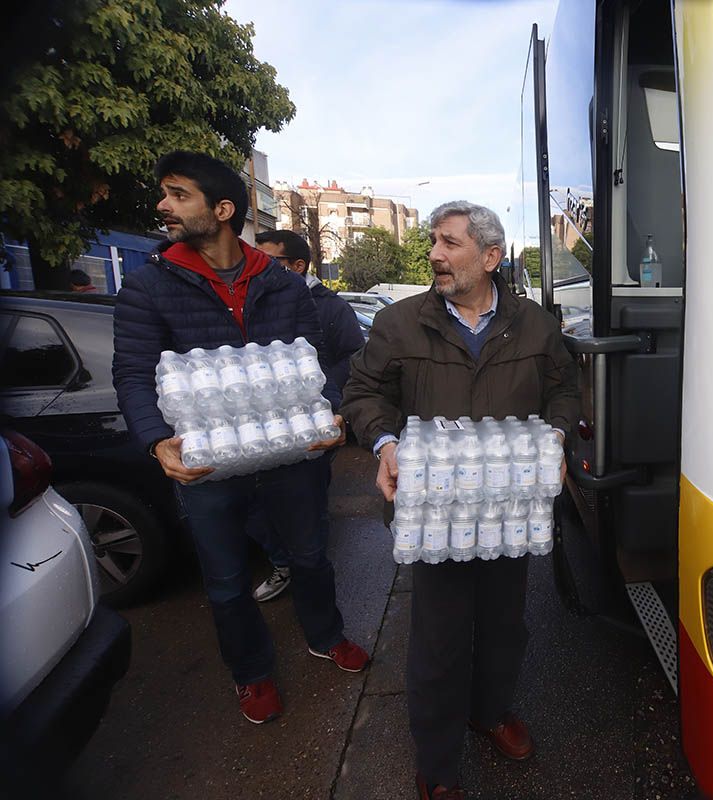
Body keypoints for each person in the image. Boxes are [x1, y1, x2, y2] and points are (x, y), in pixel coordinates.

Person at [111, 150, 369, 726]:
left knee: (309, 555)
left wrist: (330, 414)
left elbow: (316, 362)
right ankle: (251, 674)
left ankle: (326, 635)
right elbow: (131, 373)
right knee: (227, 581)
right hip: (206, 461)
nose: (163, 205)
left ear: (222, 209)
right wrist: (157, 441)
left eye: (179, 194)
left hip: (291, 450)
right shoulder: (151, 286)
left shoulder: (279, 282)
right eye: (165, 192)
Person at [340, 201, 580, 800]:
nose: (435, 256)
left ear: (491, 257)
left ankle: (490, 711)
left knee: (505, 626)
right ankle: (438, 758)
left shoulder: (535, 325)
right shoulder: (400, 324)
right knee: (440, 639)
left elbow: (566, 393)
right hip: (434, 516)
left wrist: (554, 433)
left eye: (450, 244)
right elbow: (362, 392)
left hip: (508, 510)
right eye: (433, 243)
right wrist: (385, 442)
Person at [247, 229, 365, 602]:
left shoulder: (330, 307)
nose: (256, 267)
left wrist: (321, 395)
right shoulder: (256, 301)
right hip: (260, 426)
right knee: (254, 509)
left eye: (268, 261)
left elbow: (352, 358)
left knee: (307, 508)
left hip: (313, 424)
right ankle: (283, 563)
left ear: (297, 266)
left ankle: (311, 579)